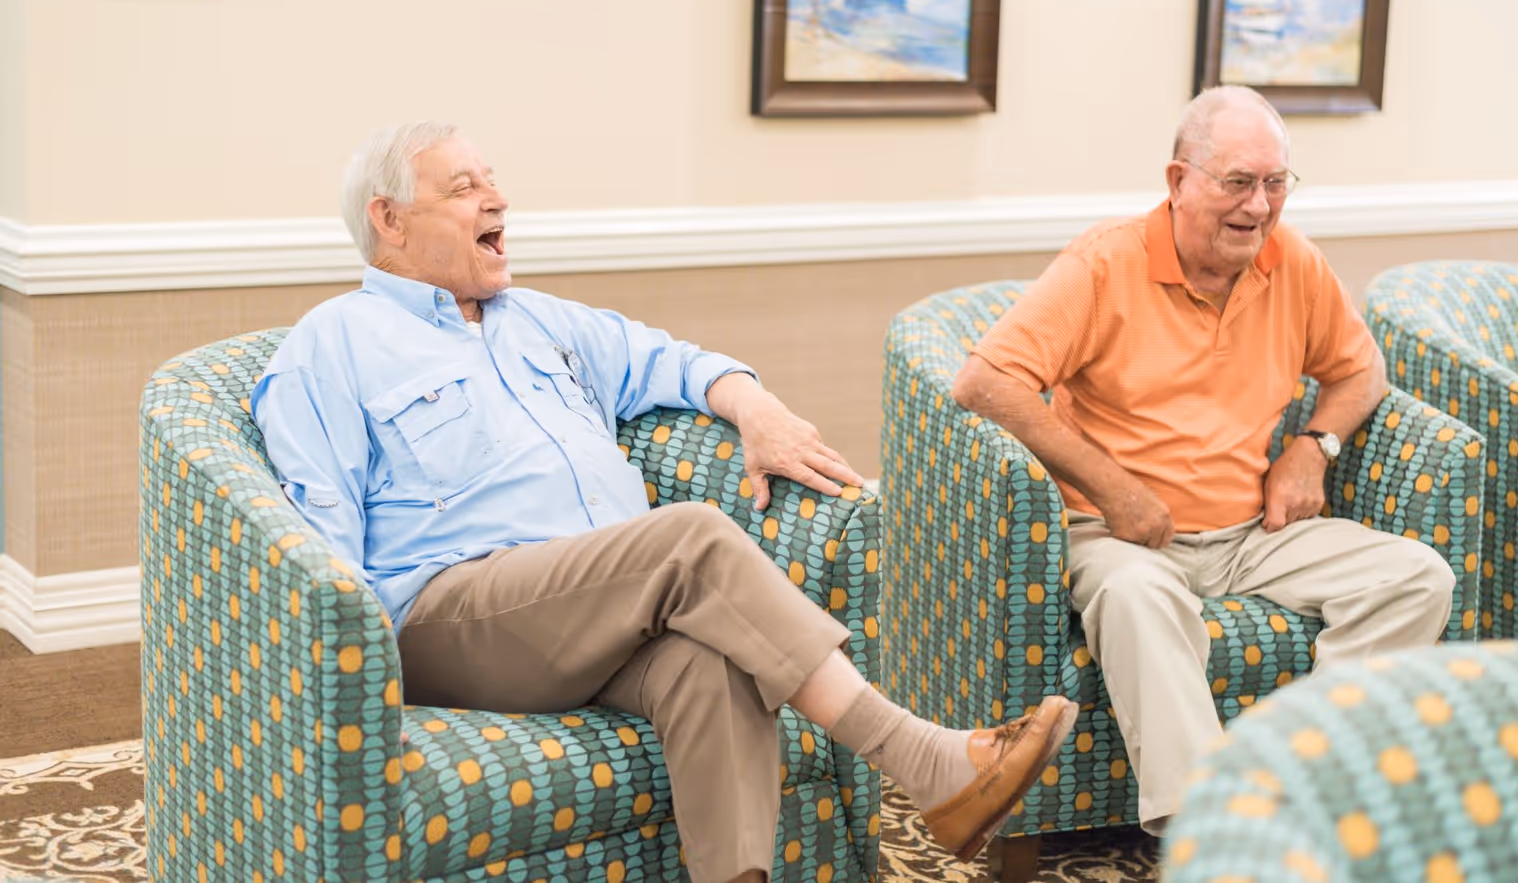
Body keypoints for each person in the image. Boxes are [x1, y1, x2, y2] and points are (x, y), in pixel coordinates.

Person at [251, 121, 1078, 882]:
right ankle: (922, 757)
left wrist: (757, 408)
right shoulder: (332, 344)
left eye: (493, 181)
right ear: (389, 220)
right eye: (465, 187)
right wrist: (352, 676)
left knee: (710, 663)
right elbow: (321, 538)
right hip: (447, 614)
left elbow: (675, 362)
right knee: (685, 536)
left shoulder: (539, 319)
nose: (496, 199)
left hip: (596, 609)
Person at [951, 86, 1455, 836]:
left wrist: (1313, 448)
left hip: (1251, 531)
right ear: (1178, 181)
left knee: (1416, 577)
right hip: (1117, 535)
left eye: (1276, 182)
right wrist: (1113, 486)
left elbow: (1362, 370)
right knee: (1137, 600)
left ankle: (1308, 788)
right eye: (1238, 182)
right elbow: (984, 381)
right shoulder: (1103, 264)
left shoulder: (1294, 262)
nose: (1259, 205)